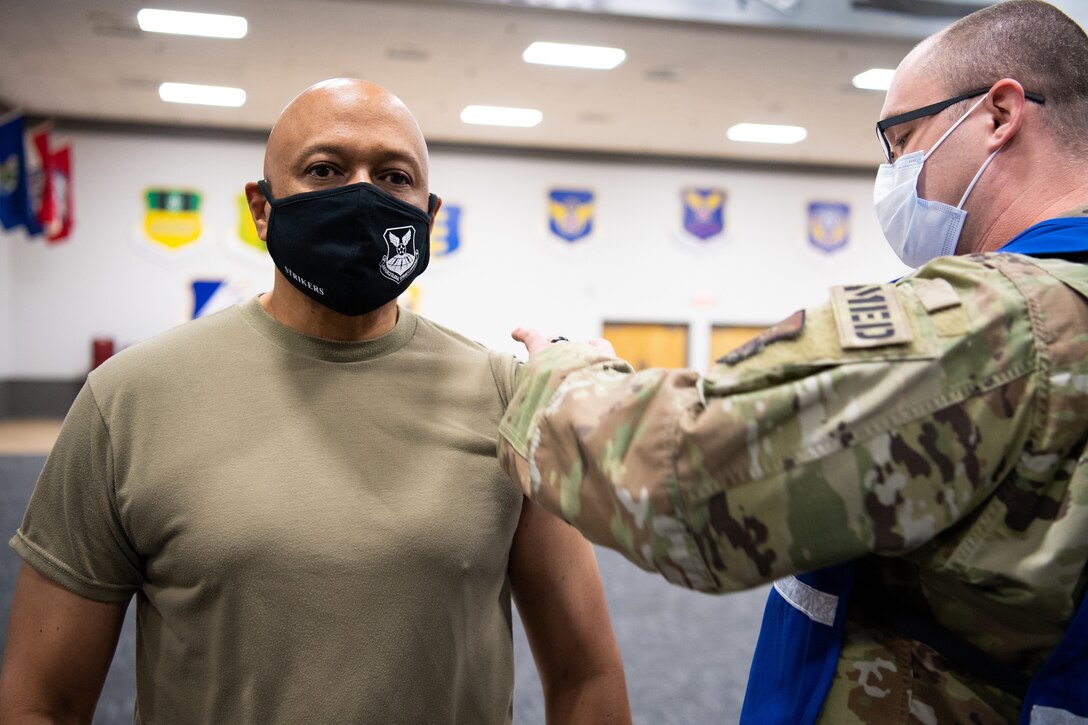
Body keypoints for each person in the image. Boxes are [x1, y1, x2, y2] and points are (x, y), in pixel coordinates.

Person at [496, 2, 1088, 723]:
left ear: (999, 114)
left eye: (902, 139)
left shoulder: (995, 322)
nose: (893, 171)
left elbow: (682, 477)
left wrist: (559, 373)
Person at [0, 78, 631, 724]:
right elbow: (41, 700)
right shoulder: (126, 400)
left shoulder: (511, 400)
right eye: (325, 169)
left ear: (429, 217)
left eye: (393, 176)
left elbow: (588, 675)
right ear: (262, 208)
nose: (361, 193)